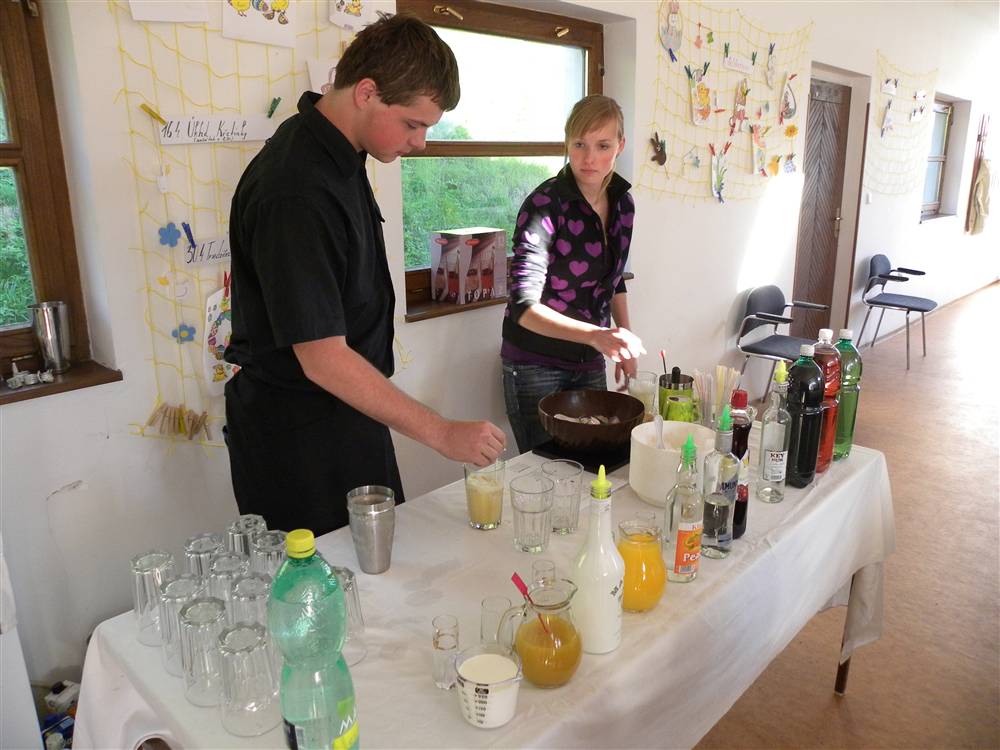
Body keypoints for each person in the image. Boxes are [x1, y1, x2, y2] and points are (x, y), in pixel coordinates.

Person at [224, 15, 505, 535]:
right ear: (367, 92)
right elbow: (323, 358)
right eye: (412, 124)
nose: (420, 143)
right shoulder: (294, 187)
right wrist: (442, 432)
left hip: (349, 414)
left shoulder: (342, 156)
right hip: (300, 437)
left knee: (382, 566)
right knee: (328, 578)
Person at [501, 95, 645, 454]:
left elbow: (614, 279)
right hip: (535, 362)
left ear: (620, 145)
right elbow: (523, 307)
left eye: (603, 145)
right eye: (580, 144)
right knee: (545, 470)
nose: (589, 158)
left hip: (589, 359)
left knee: (595, 463)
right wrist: (598, 335)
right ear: (567, 143)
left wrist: (623, 340)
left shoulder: (623, 204)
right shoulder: (544, 205)